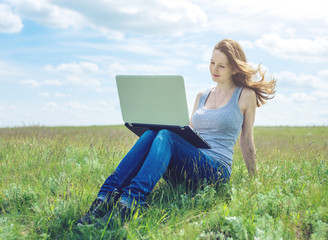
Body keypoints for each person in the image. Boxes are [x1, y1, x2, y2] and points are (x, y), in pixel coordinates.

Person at [77, 38, 276, 226]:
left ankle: (130, 201)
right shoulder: (202, 95)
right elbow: (188, 132)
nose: (214, 69)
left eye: (221, 66)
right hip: (187, 166)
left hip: (215, 171)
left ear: (234, 68)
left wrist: (254, 181)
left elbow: (247, 141)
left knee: (166, 136)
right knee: (152, 133)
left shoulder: (245, 96)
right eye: (212, 62)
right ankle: (104, 198)